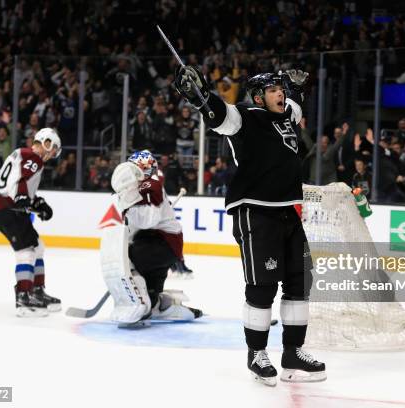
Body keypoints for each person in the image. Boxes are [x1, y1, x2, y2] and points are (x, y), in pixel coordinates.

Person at [173, 66, 325, 386]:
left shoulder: (286, 114)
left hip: (288, 212)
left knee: (299, 286)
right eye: (273, 90)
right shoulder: (244, 116)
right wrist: (199, 95)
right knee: (262, 287)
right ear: (258, 96)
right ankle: (257, 354)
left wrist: (296, 87)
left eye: (280, 90)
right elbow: (217, 115)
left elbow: (295, 102)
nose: (280, 94)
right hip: (255, 211)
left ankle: (293, 352)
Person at [105, 150, 201, 327]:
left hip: (162, 243)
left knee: (129, 259)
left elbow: (148, 220)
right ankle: (158, 304)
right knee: (150, 286)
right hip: (158, 242)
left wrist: (128, 202)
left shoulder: (150, 185)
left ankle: (140, 304)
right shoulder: (147, 185)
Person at [0, 128, 62, 317]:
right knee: (26, 251)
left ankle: (36, 291)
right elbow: (20, 185)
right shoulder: (33, 158)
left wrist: (36, 203)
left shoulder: (24, 154)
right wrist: (27, 200)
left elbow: (18, 183)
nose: (53, 153)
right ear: (45, 142)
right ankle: (23, 297)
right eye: (53, 148)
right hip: (5, 209)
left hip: (4, 207)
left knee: (37, 246)